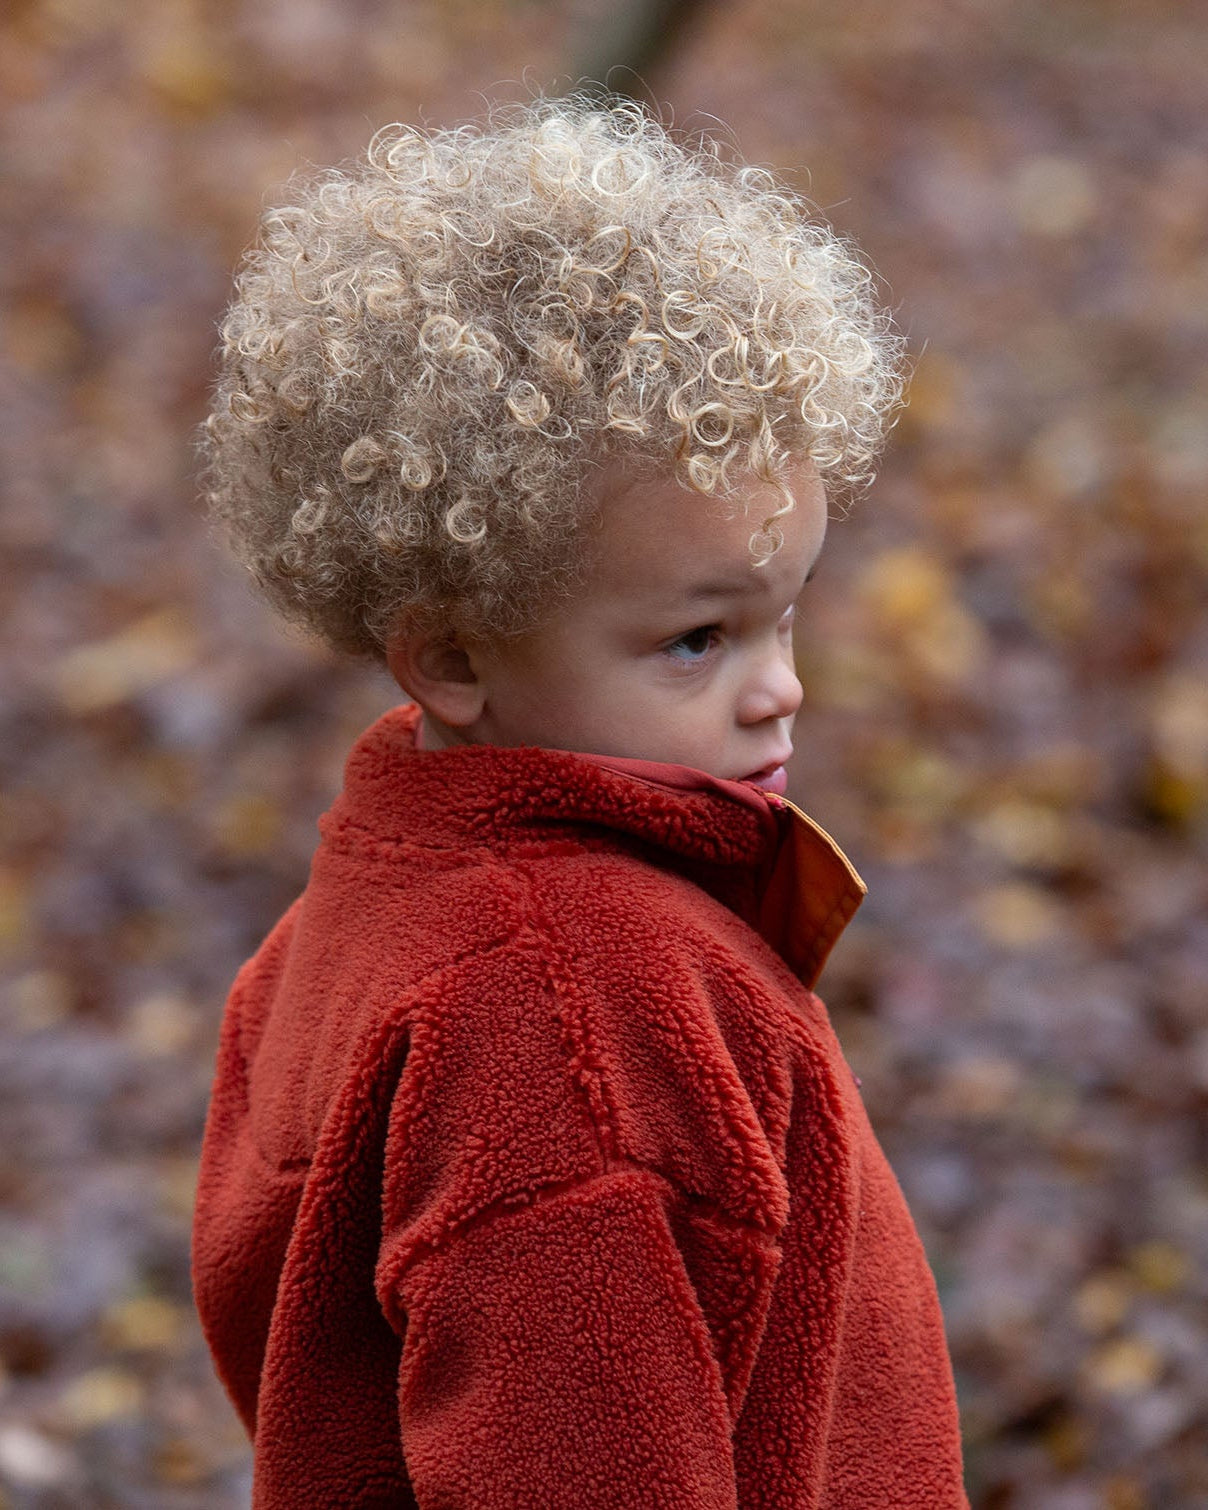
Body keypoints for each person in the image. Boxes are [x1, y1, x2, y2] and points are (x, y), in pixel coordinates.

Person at [191, 95, 969, 1508]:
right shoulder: (567, 1007)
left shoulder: (359, 917)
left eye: (785, 618)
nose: (779, 688)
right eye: (697, 640)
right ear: (455, 654)